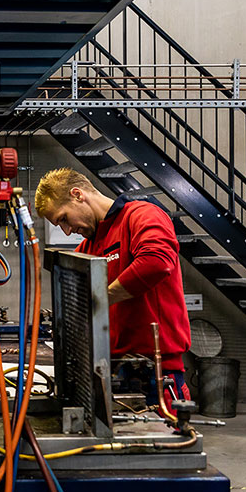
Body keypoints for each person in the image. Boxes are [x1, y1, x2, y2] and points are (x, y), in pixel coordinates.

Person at [35, 168, 191, 408]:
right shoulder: (86, 250)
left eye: (64, 219)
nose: (67, 231)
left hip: (155, 377)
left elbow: (156, 262)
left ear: (78, 194)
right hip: (110, 374)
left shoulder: (142, 216)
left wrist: (100, 297)